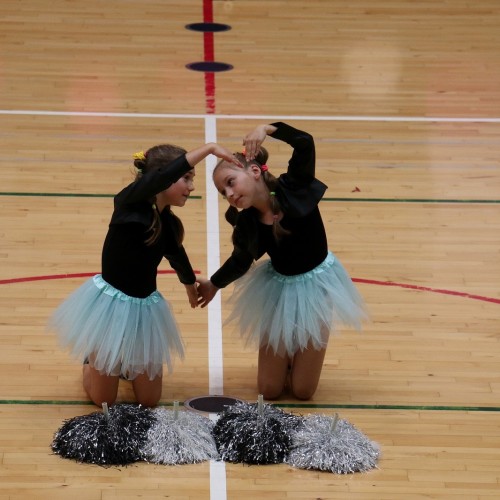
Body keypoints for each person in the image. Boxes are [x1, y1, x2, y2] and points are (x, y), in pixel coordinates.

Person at [48, 142, 241, 407]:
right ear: (163, 176)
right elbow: (161, 177)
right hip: (109, 308)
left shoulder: (168, 223)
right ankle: (91, 362)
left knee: (149, 400)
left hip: (144, 310)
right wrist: (207, 150)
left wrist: (189, 285)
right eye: (186, 178)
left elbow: (177, 256)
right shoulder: (129, 203)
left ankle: (122, 363)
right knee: (104, 399)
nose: (191, 187)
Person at [197, 122, 368, 400]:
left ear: (254, 171)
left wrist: (269, 128)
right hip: (279, 290)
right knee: (269, 390)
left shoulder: (294, 186)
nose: (229, 194)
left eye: (230, 182)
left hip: (316, 285)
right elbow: (240, 261)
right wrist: (214, 285)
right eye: (222, 192)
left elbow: (305, 142)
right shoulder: (248, 222)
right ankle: (287, 355)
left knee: (302, 391)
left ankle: (302, 354)